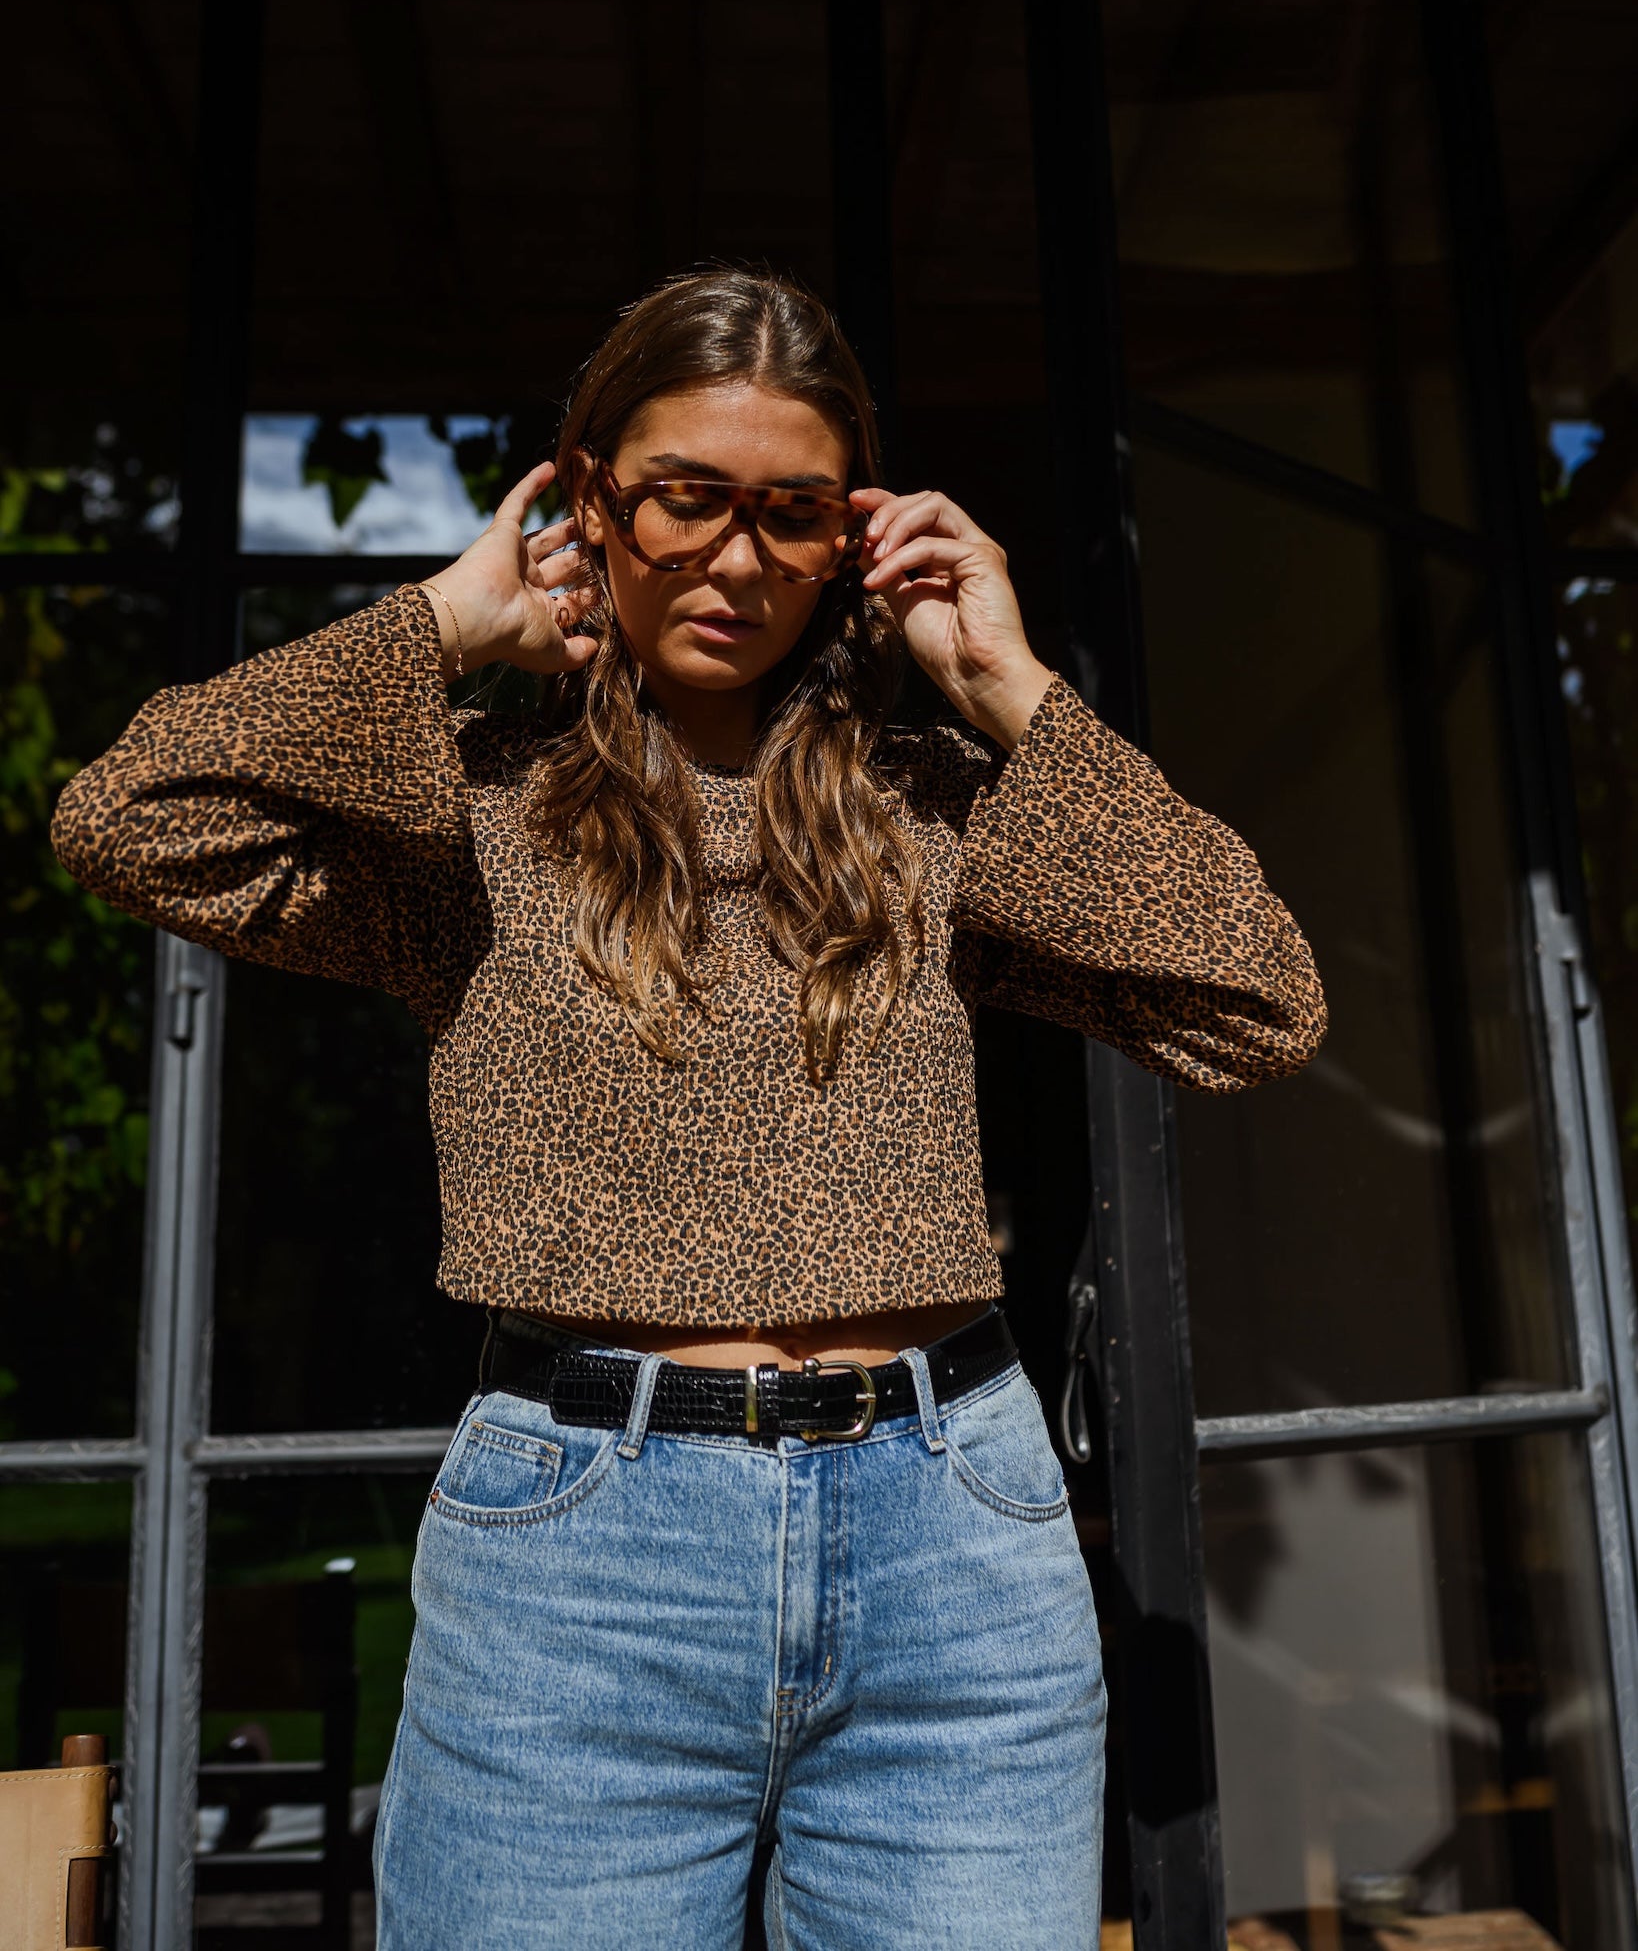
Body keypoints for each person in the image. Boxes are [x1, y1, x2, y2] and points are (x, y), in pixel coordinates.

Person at [52, 268, 1326, 1950]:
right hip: (582, 1564)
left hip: (956, 1551)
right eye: (686, 499)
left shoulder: (928, 805)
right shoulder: (471, 815)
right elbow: (123, 817)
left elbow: (1258, 1001)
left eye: (791, 514)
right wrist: (440, 621)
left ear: (851, 536)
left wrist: (1013, 688)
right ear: (589, 496)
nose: (736, 559)